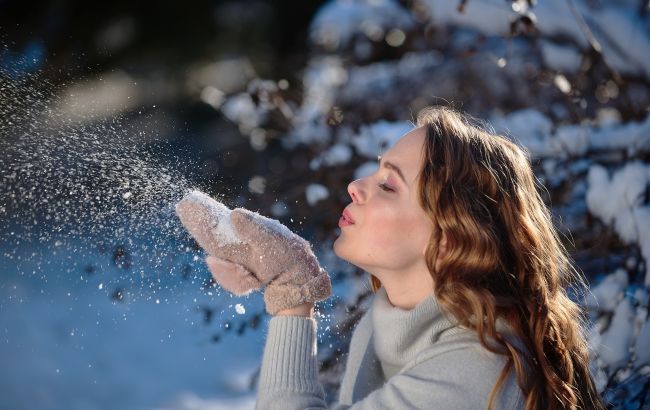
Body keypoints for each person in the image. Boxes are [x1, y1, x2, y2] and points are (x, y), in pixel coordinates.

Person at [176, 106, 605, 409]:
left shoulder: (478, 372)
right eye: (376, 171)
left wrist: (292, 294)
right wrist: (290, 288)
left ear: (449, 238)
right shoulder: (391, 326)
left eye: (388, 185)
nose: (356, 186)